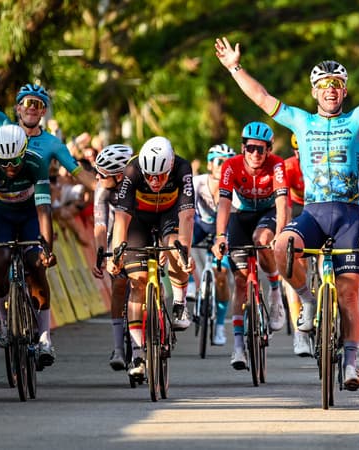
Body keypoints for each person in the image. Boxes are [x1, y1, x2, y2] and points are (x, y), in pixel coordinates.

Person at [215, 26, 359, 391]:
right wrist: (234, 68)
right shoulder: (301, 122)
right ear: (314, 92)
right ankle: (305, 301)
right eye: (324, 85)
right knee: (280, 247)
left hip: (349, 215)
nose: (330, 89)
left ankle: (351, 363)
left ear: (344, 90)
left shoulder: (357, 120)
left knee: (350, 293)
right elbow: (262, 98)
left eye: (336, 84)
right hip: (315, 213)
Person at [107, 136, 195, 379]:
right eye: (150, 176)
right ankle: (137, 352)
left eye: (161, 176)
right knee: (138, 281)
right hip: (139, 220)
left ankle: (179, 303)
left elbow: (187, 216)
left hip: (170, 215)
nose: (155, 181)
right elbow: (121, 218)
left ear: (171, 165)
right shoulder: (132, 170)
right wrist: (116, 253)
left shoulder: (182, 168)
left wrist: (184, 250)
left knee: (176, 250)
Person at [0, 124, 57, 367]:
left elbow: (44, 210)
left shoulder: (36, 163)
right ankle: (6, 322)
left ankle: (44, 338)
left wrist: (47, 248)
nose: (10, 168)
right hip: (1, 216)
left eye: (15, 161)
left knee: (36, 264)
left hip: (30, 214)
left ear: (24, 151)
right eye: (4, 162)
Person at [211, 122, 289, 370]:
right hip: (241, 216)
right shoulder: (230, 166)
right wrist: (220, 236)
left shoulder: (277, 165)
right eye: (251, 148)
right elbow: (224, 203)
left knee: (262, 240)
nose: (256, 154)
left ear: (269, 150)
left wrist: (280, 235)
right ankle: (237, 348)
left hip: (268, 214)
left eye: (262, 149)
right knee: (241, 281)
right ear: (243, 148)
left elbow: (282, 203)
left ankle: (275, 290)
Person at [0, 37, 96, 192]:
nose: (31, 108)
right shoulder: (5, 127)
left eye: (37, 105)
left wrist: (110, 194)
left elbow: (80, 173)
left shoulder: (53, 143)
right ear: (18, 108)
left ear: (43, 112)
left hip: (34, 209)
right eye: (27, 103)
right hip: (3, 207)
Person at [91, 143, 134, 370]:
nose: (97, 177)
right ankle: (118, 348)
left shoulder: (138, 184)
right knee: (118, 285)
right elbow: (100, 224)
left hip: (140, 230)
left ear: (119, 175)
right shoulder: (102, 188)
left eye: (102, 173)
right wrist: (101, 254)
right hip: (115, 232)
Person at [191, 143, 236, 346]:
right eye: (218, 162)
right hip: (200, 226)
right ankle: (191, 285)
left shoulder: (234, 187)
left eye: (227, 163)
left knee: (222, 276)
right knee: (179, 243)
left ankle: (219, 326)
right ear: (210, 165)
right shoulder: (197, 182)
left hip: (223, 231)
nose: (222, 166)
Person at [283, 133, 311, 356]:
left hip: (321, 208)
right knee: (295, 263)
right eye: (297, 149)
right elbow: (283, 204)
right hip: (296, 209)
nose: (301, 155)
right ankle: (299, 333)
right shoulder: (289, 167)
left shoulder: (326, 161)